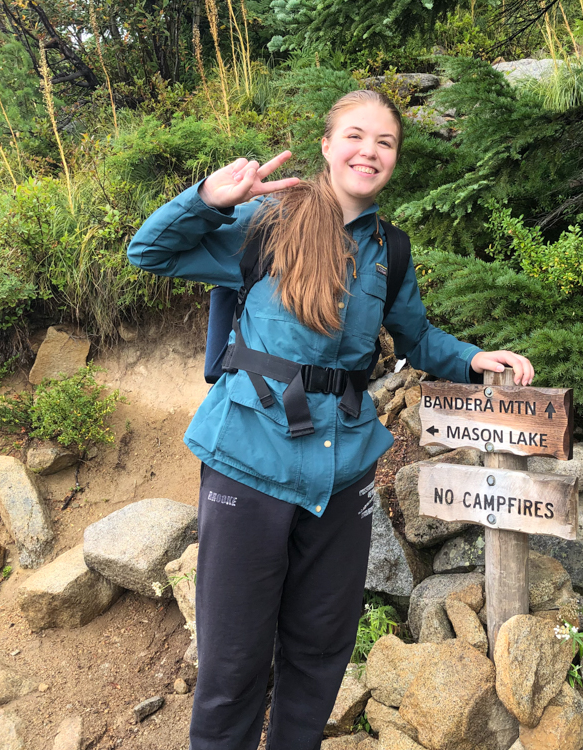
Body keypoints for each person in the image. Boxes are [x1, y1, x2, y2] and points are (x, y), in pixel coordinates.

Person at [127, 89, 534, 750]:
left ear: (396, 158)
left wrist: (471, 358)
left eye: (385, 142)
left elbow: (416, 338)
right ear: (327, 144)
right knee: (233, 664)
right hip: (248, 461)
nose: (369, 151)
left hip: (342, 474)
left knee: (319, 654)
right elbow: (149, 253)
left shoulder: (387, 252)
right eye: (355, 135)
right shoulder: (263, 220)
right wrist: (207, 198)